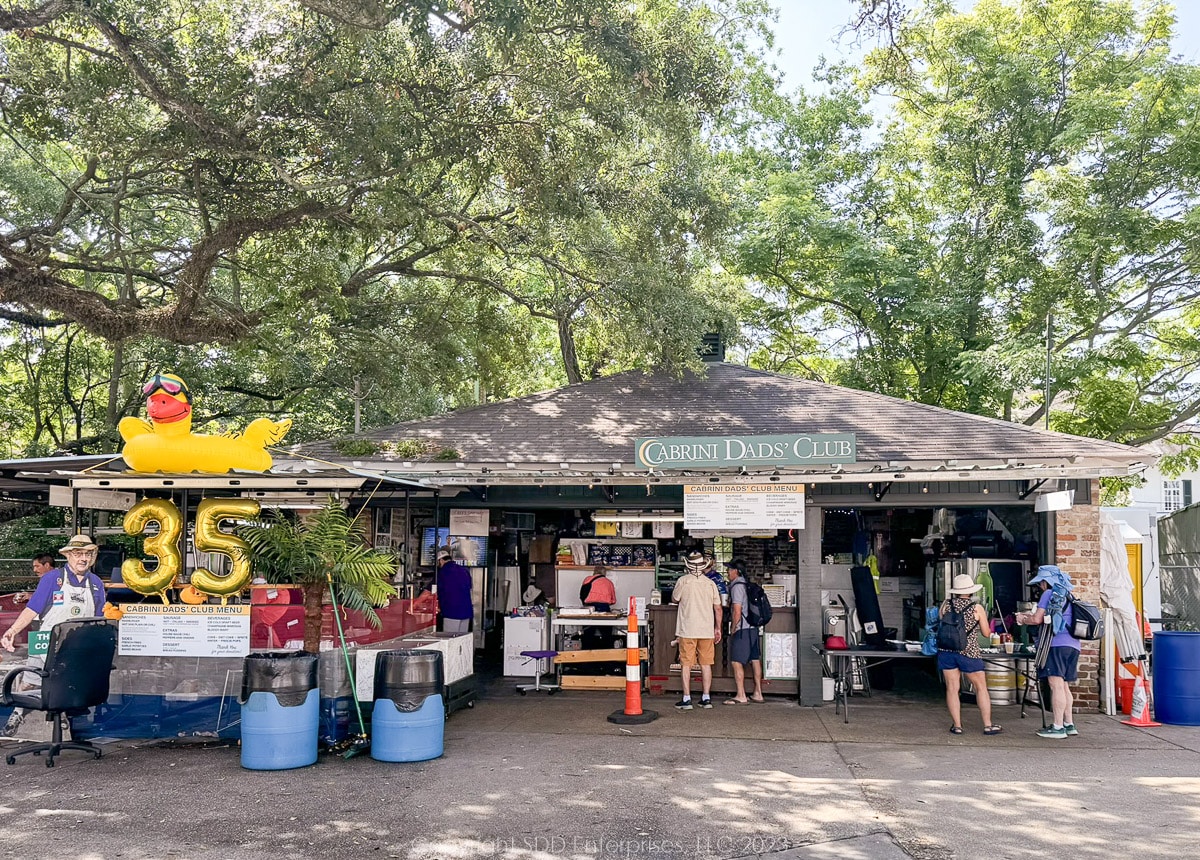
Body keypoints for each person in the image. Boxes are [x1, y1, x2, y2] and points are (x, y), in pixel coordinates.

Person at [1, 534, 107, 737]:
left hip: (79, 646)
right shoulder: (52, 579)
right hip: (46, 643)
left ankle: (64, 719)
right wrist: (12, 631)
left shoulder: (96, 584)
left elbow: (100, 617)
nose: (82, 558)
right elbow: (32, 609)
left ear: (92, 557)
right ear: (68, 556)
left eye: (87, 554)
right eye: (77, 554)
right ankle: (17, 715)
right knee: (30, 682)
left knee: (70, 685)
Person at [1016, 565, 1080, 739]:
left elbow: (1037, 619)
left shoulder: (1049, 594)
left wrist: (1023, 618)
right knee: (1065, 685)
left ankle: (1058, 727)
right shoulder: (1068, 594)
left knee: (1055, 685)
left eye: (1041, 583)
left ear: (1045, 582)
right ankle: (1069, 723)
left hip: (1056, 645)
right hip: (1073, 645)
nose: (1040, 586)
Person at [938, 574, 1002, 736]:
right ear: (971, 591)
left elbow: (942, 623)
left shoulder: (946, 605)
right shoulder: (976, 608)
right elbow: (987, 633)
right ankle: (988, 725)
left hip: (947, 651)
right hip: (969, 652)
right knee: (981, 688)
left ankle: (957, 726)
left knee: (952, 688)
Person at [671, 550, 722, 710]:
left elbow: (674, 599)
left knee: (686, 664)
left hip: (687, 629)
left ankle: (687, 699)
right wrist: (718, 628)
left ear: (688, 566)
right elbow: (718, 608)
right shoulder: (710, 583)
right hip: (706, 630)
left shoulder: (683, 581)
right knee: (706, 664)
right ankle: (706, 698)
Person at [724, 558, 764, 704]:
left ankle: (741, 695)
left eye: (729, 570)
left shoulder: (737, 587)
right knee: (755, 660)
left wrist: (733, 627)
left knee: (736, 661)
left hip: (743, 628)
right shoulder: (747, 584)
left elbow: (737, 610)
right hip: (753, 628)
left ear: (736, 571)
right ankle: (758, 693)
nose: (728, 572)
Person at [435, 549, 473, 634]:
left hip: (451, 612)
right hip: (466, 611)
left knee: (450, 639)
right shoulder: (464, 570)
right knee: (462, 641)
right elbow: (469, 587)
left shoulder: (443, 572)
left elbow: (433, 590)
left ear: (441, 561)